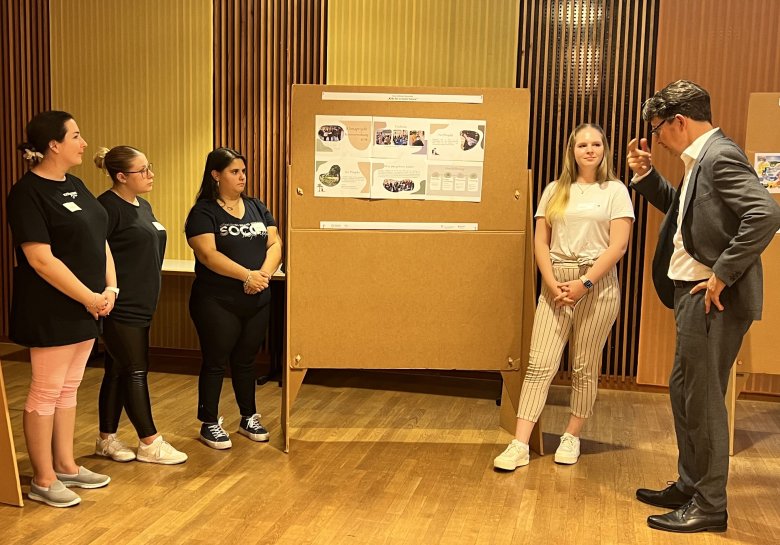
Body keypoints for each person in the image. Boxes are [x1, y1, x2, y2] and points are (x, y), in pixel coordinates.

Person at [626, 80, 780, 533]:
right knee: (685, 392)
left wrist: (723, 272)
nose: (657, 139)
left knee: (706, 399)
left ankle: (710, 504)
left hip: (712, 298)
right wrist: (646, 177)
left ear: (679, 121)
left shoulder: (720, 156)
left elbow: (766, 214)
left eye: (658, 131)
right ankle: (692, 484)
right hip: (691, 295)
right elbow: (684, 215)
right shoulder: (701, 160)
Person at [493, 123, 634, 470]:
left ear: (605, 149)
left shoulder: (616, 190)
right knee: (539, 365)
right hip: (555, 283)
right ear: (571, 150)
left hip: (597, 287)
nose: (590, 149)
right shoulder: (554, 189)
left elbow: (618, 245)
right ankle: (519, 444)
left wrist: (585, 283)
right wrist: (552, 282)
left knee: (584, 367)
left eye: (596, 143)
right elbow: (540, 241)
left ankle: (572, 435)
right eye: (582, 144)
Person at [6, 111, 114, 507]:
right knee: (46, 390)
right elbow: (40, 260)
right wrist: (89, 296)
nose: (84, 143)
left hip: (90, 304)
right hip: (51, 307)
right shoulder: (27, 193)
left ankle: (66, 465)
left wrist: (109, 287)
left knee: (69, 389)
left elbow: (98, 238)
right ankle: (43, 477)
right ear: (53, 144)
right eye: (76, 136)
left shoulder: (77, 184)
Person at [93, 146, 187, 465]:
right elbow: (91, 256)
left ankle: (106, 439)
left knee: (118, 370)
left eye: (150, 167)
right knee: (135, 370)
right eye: (142, 170)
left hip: (144, 302)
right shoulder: (105, 208)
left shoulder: (142, 205)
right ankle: (150, 442)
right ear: (121, 176)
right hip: (122, 305)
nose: (151, 175)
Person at [185, 147, 282, 449]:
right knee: (215, 361)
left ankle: (248, 416)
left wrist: (262, 275)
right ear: (216, 175)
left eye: (243, 171)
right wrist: (247, 276)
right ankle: (209, 422)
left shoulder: (256, 206)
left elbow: (275, 242)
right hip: (216, 301)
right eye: (234, 172)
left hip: (256, 298)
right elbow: (208, 254)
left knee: (246, 361)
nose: (242, 177)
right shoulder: (203, 212)